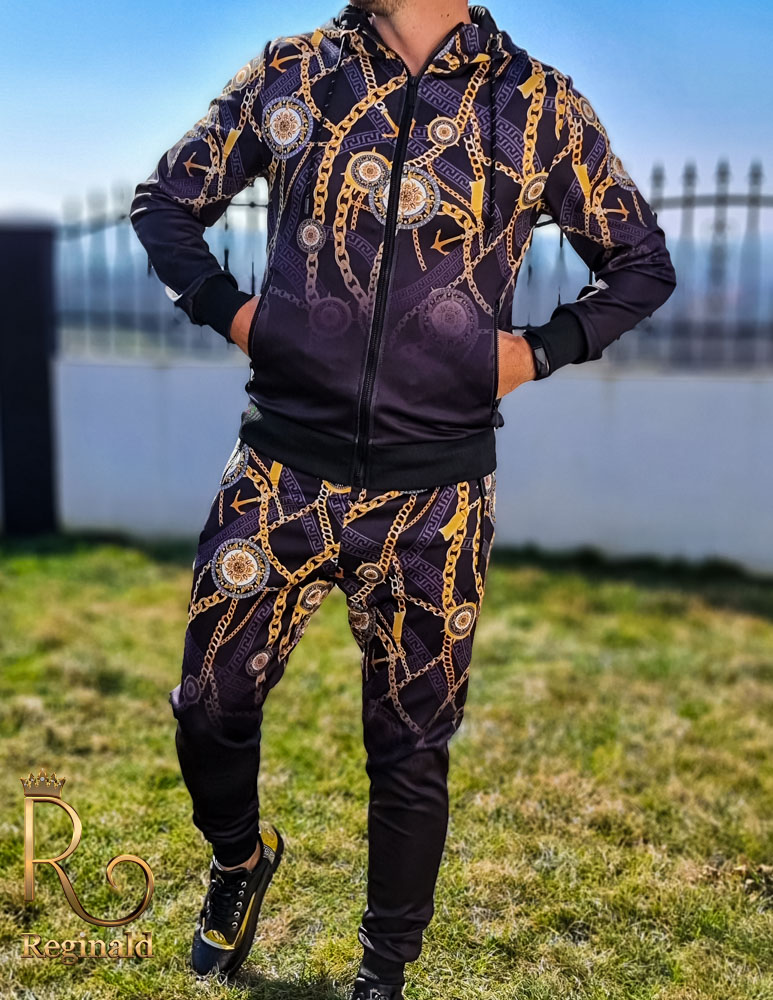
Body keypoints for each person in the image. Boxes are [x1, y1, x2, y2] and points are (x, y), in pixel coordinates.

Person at [130, 0, 677, 995]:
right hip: (280, 472)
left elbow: (640, 263)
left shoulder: (537, 104)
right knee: (209, 705)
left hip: (439, 498)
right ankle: (239, 858)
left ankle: (383, 973)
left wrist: (535, 352)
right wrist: (241, 317)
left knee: (410, 750)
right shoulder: (294, 71)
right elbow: (164, 201)